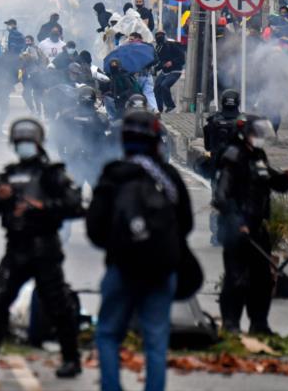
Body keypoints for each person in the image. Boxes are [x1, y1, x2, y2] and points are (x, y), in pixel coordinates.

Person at [0, 118, 83, 379]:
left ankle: (71, 358)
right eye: (20, 143)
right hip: (16, 249)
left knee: (57, 304)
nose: (24, 147)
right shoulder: (8, 175)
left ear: (38, 144)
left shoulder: (52, 174)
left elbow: (76, 206)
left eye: (28, 142)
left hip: (45, 250)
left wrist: (42, 208)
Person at [87, 110, 193, 391]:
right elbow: (186, 223)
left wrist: (122, 245)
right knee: (156, 341)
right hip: (161, 271)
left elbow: (94, 230)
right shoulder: (168, 177)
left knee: (108, 334)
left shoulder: (113, 175)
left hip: (122, 270)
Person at [214, 114, 288, 335]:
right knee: (237, 279)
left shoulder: (259, 157)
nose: (259, 137)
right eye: (255, 134)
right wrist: (237, 222)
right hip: (237, 230)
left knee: (262, 280)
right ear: (245, 135)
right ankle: (231, 324)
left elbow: (272, 182)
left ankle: (259, 324)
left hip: (258, 227)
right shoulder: (233, 157)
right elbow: (221, 196)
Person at [203, 89, 243, 245]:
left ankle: (217, 235)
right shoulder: (243, 122)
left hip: (218, 168)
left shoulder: (213, 121)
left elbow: (207, 146)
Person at [153, 31, 185, 113]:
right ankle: (159, 108)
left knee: (164, 85)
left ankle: (170, 105)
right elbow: (160, 61)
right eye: (157, 36)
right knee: (157, 87)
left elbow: (182, 58)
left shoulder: (172, 45)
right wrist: (155, 68)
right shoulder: (158, 47)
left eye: (161, 35)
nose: (159, 37)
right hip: (165, 71)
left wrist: (172, 62)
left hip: (175, 70)